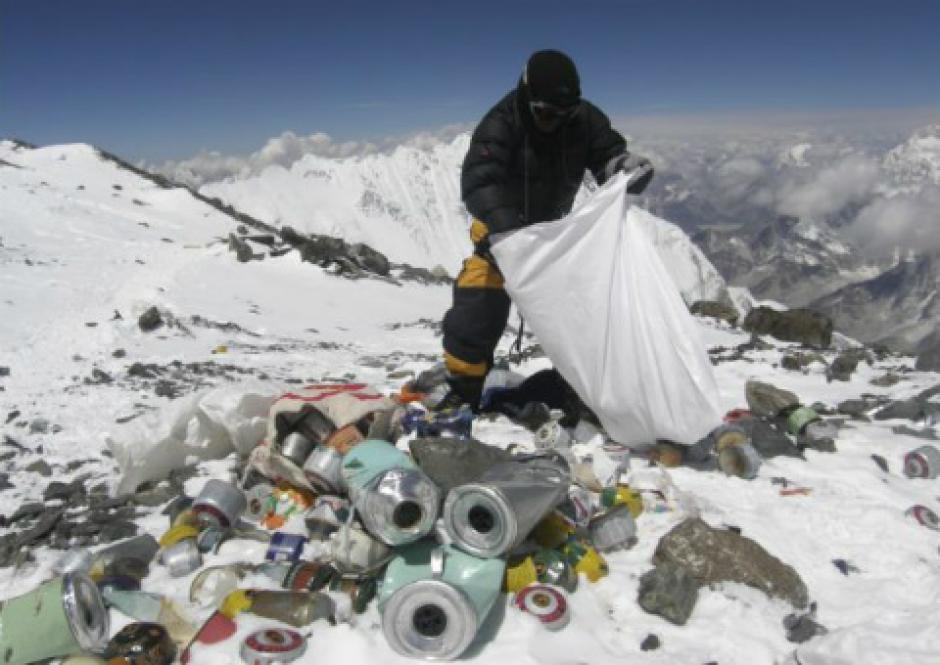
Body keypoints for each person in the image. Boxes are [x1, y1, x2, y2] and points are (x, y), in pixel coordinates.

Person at [438, 49, 654, 411]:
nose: (553, 121)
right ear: (526, 96)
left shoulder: (583, 119)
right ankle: (464, 389)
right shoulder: (501, 123)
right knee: (478, 305)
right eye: (544, 113)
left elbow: (606, 153)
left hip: (555, 239)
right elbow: (479, 181)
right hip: (499, 237)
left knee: (584, 310)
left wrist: (622, 167)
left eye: (563, 114)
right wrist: (507, 232)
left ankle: (582, 388)